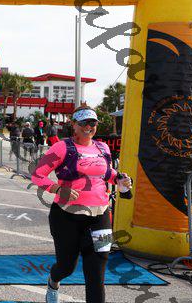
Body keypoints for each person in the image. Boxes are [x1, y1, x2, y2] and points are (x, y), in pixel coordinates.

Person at [30, 106, 133, 303]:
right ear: (74, 125)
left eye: (92, 123)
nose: (88, 127)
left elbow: (107, 173)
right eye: (83, 122)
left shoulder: (102, 148)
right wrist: (58, 189)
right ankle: (53, 281)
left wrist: (120, 179)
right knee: (66, 267)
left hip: (101, 216)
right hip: (66, 217)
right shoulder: (61, 147)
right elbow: (37, 174)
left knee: (97, 273)